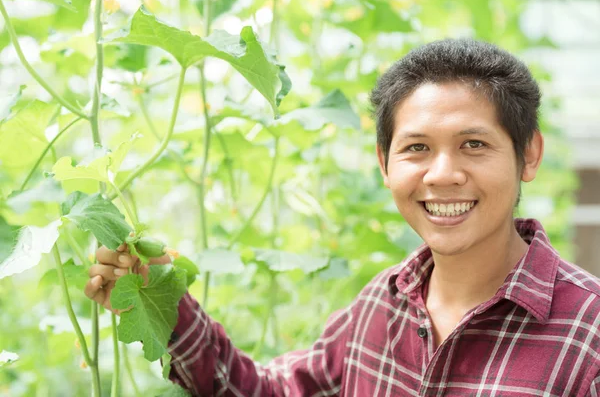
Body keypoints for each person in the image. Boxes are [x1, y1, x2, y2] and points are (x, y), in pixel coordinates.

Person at [85, 39, 600, 396]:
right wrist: (159, 300)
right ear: (384, 164)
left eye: (474, 144)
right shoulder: (383, 303)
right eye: (416, 147)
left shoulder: (589, 333)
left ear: (528, 155)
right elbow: (270, 391)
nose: (443, 175)